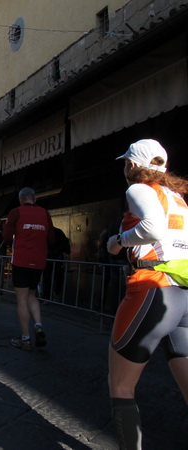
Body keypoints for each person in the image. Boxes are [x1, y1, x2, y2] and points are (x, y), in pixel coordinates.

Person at [105, 139, 188, 449]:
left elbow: (152, 229)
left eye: (126, 163)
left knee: (121, 385)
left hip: (151, 288)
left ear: (132, 165)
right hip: (183, 293)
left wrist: (118, 240)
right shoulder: (177, 197)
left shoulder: (139, 189)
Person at [3, 187, 54, 351]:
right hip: (39, 261)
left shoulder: (16, 212)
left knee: (22, 299)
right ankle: (38, 325)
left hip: (21, 260)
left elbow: (6, 236)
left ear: (20, 199)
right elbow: (51, 238)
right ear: (34, 199)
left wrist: (14, 242)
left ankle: (25, 339)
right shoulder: (45, 213)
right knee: (32, 295)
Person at [42, 227, 70, 300]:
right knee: (57, 277)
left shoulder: (45, 232)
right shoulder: (58, 232)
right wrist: (66, 251)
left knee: (48, 278)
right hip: (57, 258)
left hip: (49, 258)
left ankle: (47, 296)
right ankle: (55, 293)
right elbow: (65, 243)